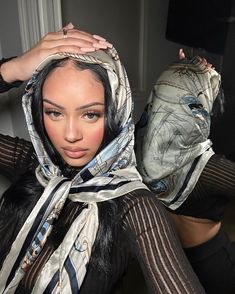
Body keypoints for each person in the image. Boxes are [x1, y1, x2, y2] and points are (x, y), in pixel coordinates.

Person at [0, 39, 206, 292]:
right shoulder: (32, 163)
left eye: (90, 114)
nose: (71, 134)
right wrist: (11, 69)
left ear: (115, 112)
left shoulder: (133, 205)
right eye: (54, 113)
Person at [135, 52, 235, 293]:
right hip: (216, 266)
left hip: (172, 259)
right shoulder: (210, 170)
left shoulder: (137, 145)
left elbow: (171, 97)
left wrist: (184, 73)